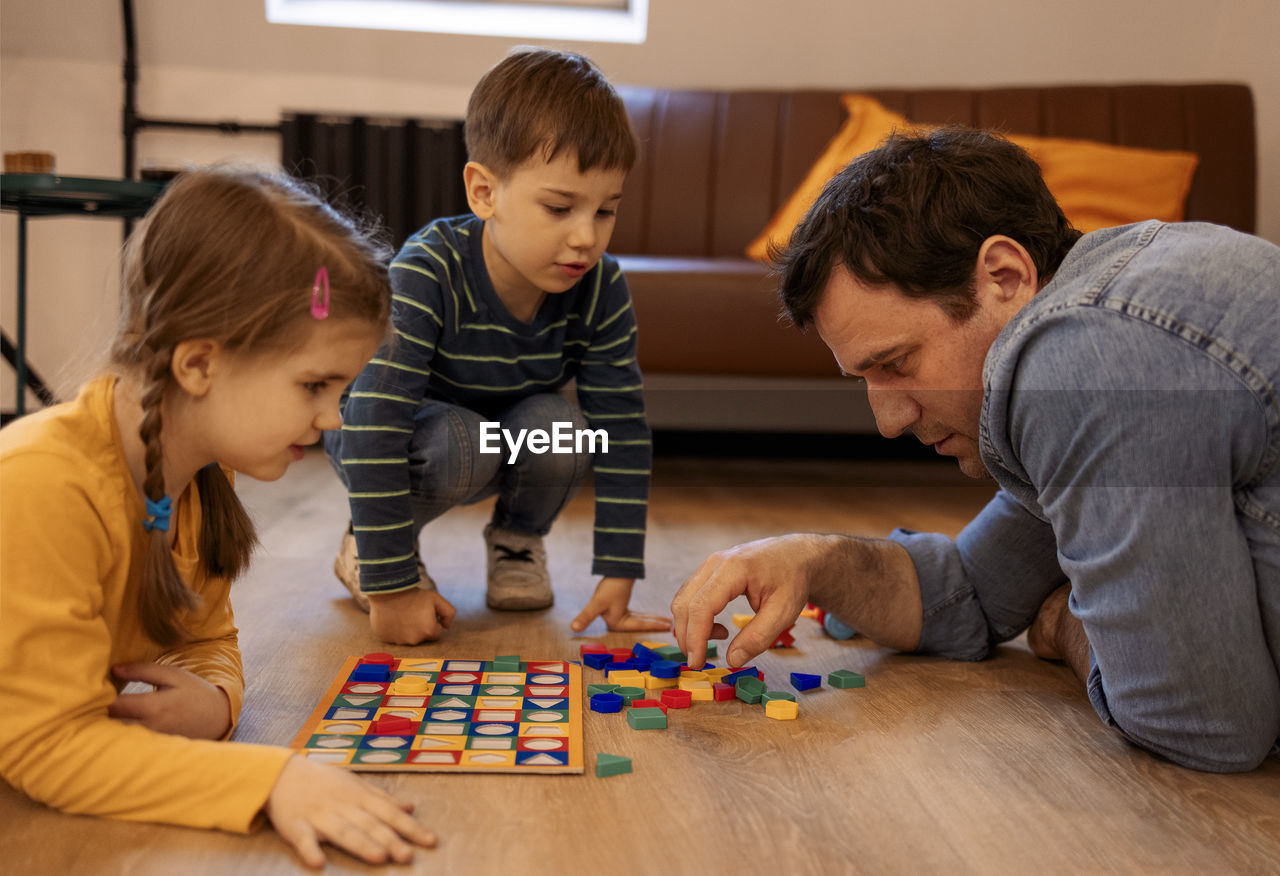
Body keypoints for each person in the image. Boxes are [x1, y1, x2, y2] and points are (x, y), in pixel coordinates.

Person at [671, 127, 1280, 773]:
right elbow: (969, 595)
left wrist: (1063, 626)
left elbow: (1199, 725)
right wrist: (810, 560)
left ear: (1004, 276)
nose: (887, 419)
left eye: (898, 363)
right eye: (866, 379)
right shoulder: (1102, 314)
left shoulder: (1085, 360)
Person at [0, 166, 438, 865]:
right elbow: (48, 745)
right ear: (200, 364)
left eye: (343, 389)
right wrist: (272, 778)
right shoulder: (39, 485)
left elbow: (207, 644)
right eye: (314, 385)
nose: (333, 419)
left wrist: (216, 703)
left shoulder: (200, 478)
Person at [325, 47, 670, 645]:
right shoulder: (427, 269)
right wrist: (391, 584)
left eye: (606, 211)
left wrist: (619, 572)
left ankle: (516, 542)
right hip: (379, 432)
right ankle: (372, 547)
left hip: (488, 432)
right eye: (559, 208)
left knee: (562, 425)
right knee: (463, 442)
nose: (586, 237)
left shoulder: (600, 288)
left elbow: (621, 429)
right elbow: (376, 418)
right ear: (484, 193)